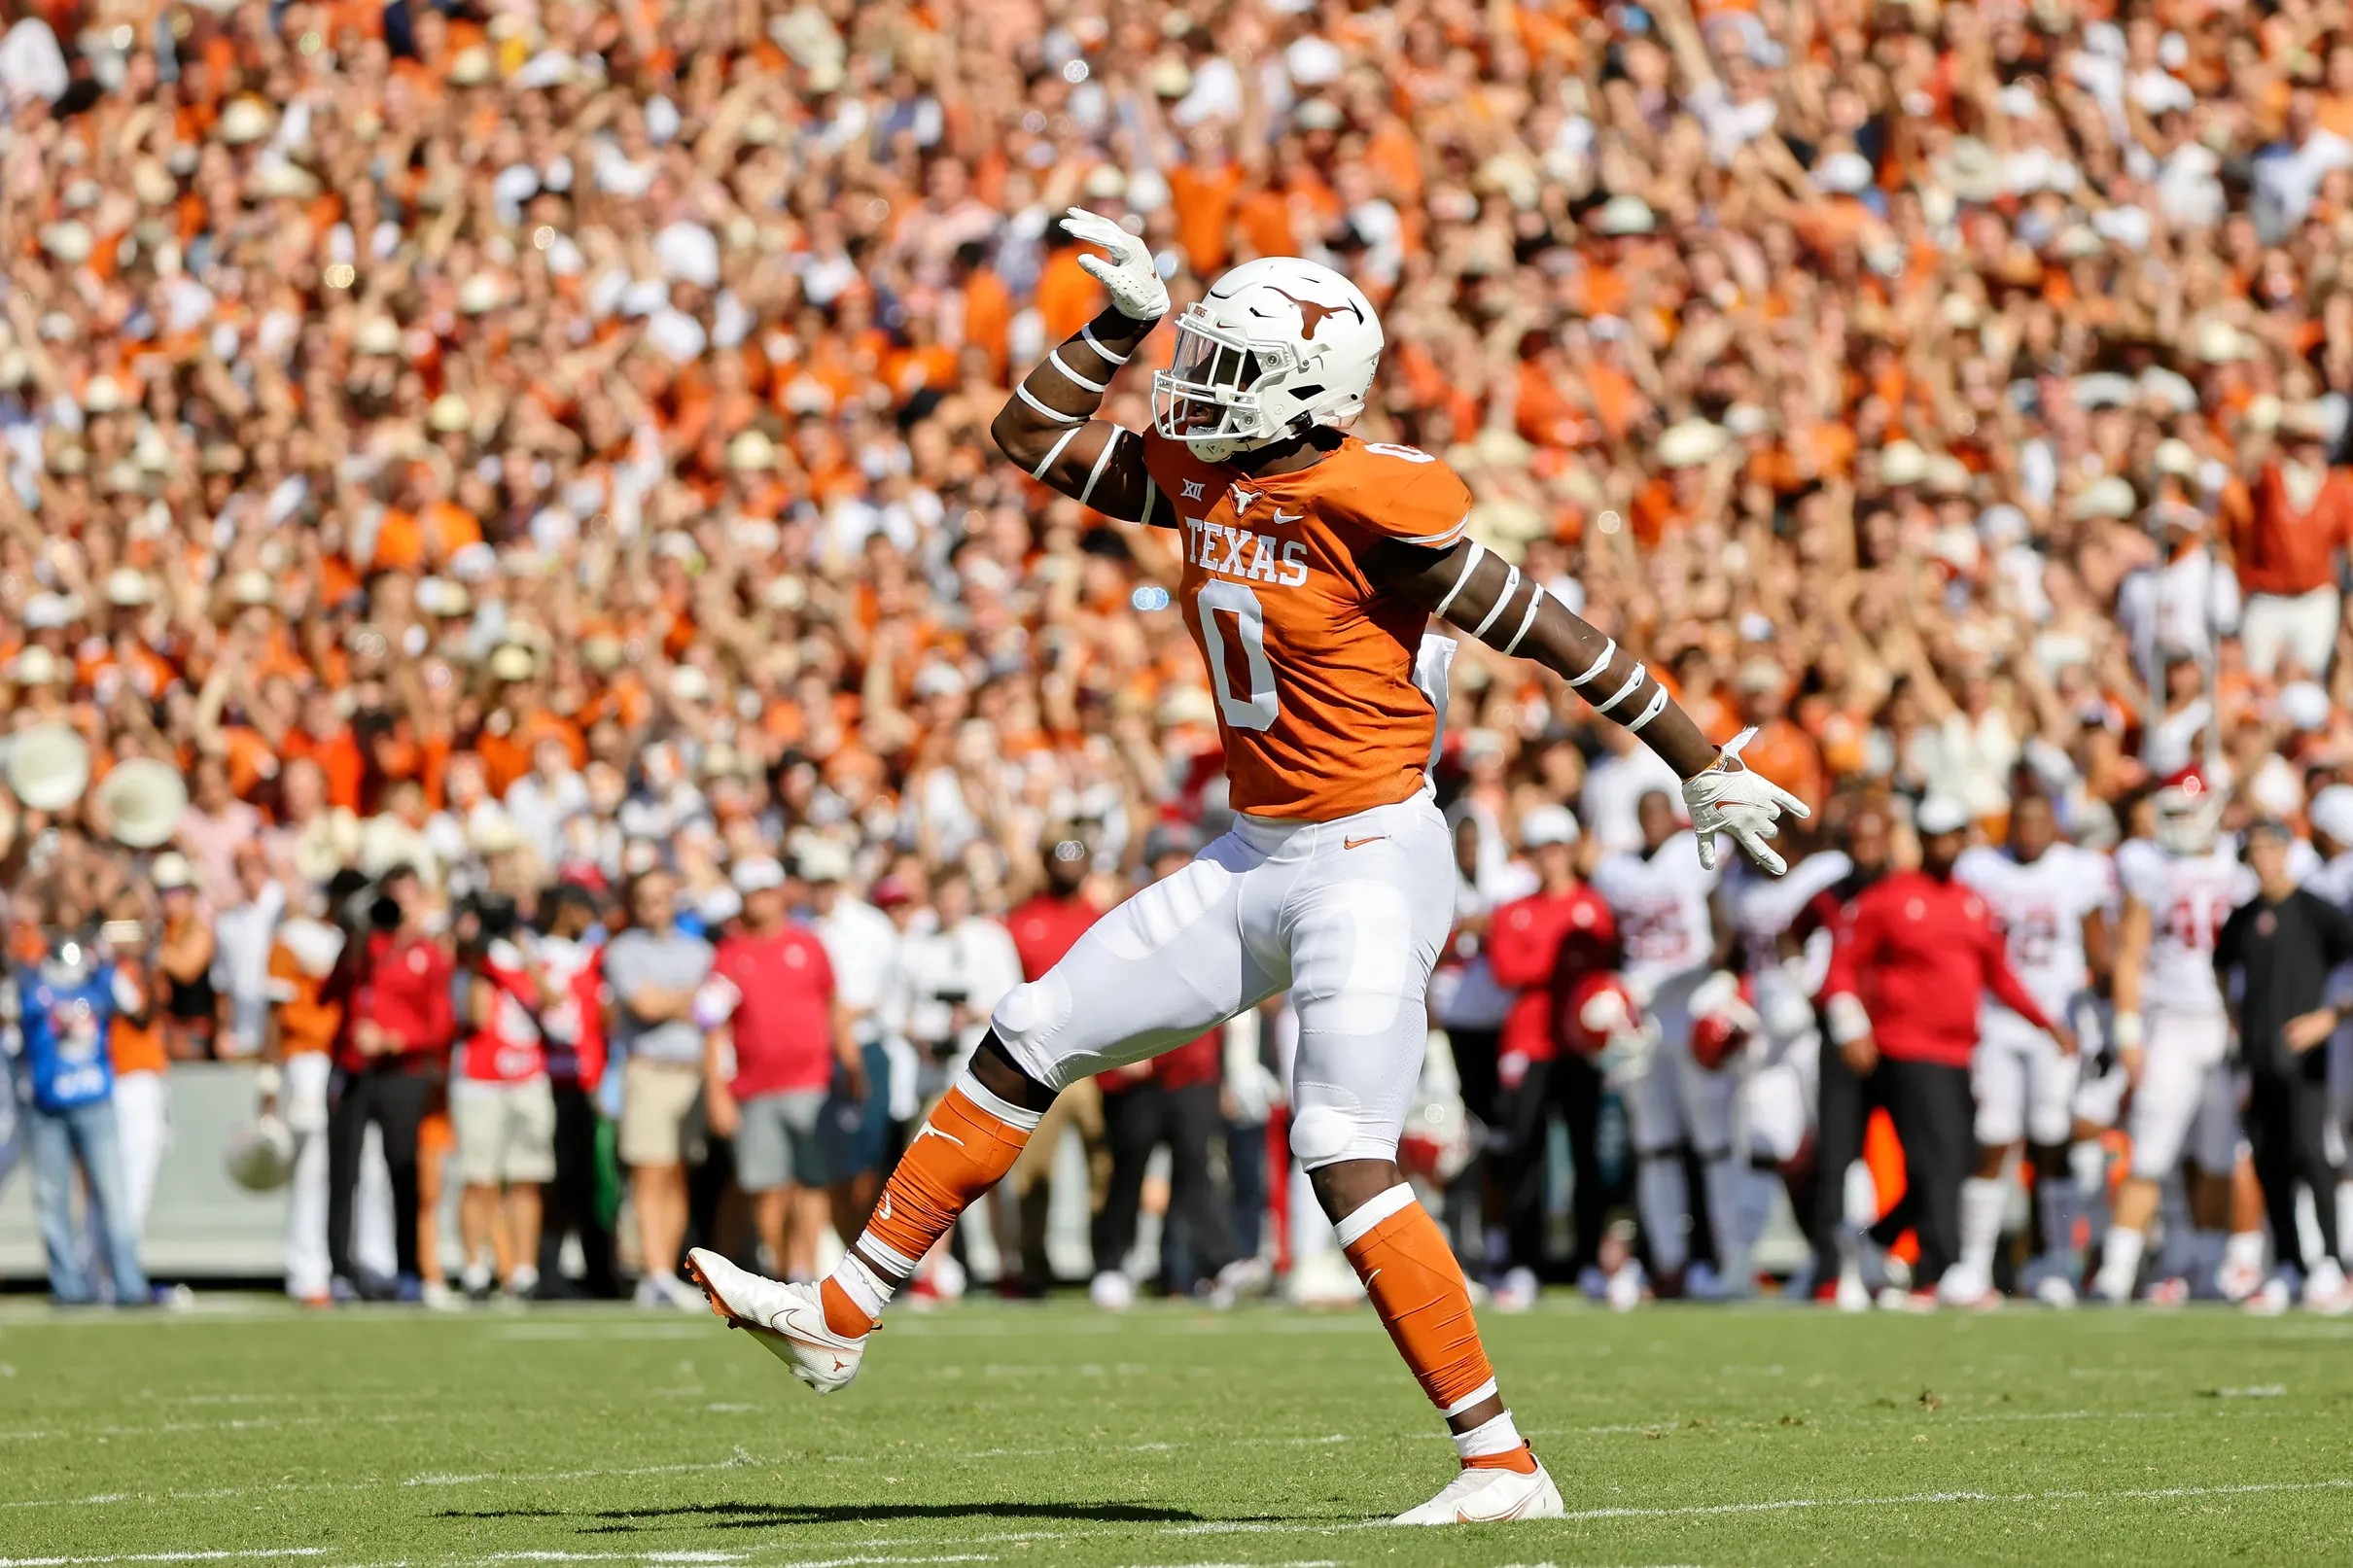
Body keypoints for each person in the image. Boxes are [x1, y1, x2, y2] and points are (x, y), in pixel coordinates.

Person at [684, 223, 1806, 1524]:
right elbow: (1030, 440)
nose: (1196, 375)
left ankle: (1503, 1461)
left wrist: (1696, 755)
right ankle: (842, 1309)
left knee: (1339, 1143)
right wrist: (1118, 326)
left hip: (1370, 860)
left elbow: (1556, 631)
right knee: (1028, 1030)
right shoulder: (1209, 473)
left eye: (1224, 357)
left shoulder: (1378, 504)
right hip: (1254, 849)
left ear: (1305, 390)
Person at [1820, 795, 2074, 1307]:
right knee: (1939, 1162)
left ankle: (1879, 1239)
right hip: (1906, 1047)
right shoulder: (1891, 898)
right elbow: (1841, 966)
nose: (1946, 845)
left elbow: (1999, 974)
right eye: (1937, 835)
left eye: (1955, 835)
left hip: (1960, 1051)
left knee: (1956, 1160)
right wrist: (1850, 1025)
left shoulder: (1973, 902)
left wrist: (2046, 1024)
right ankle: (1937, 1269)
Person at [2093, 767, 2259, 1305]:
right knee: (2149, 1150)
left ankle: (2210, 1267)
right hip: (2170, 1021)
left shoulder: (2244, 868)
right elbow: (2131, 955)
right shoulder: (2152, 868)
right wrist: (2129, 1031)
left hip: (2223, 1026)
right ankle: (2118, 1269)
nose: (2180, 824)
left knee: (2218, 1153)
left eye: (2190, 811)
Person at [1951, 792, 2114, 1305]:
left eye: (2040, 821)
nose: (2029, 831)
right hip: (1998, 1020)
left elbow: (2098, 953)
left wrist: (2104, 1022)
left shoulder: (2079, 871)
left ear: (2057, 827)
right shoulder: (1981, 869)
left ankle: (2059, 1262)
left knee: (2051, 1137)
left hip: (2057, 1026)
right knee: (1994, 1135)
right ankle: (1974, 1264)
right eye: (2020, 821)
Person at [1591, 789, 1738, 1298]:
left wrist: (1701, 975)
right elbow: (1610, 942)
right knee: (1654, 1145)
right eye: (1645, 813)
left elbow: (1723, 931)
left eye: (1659, 812)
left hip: (1691, 1007)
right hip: (1642, 1021)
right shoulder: (1615, 872)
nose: (1653, 822)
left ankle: (1728, 1258)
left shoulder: (1694, 852)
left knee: (1713, 1141)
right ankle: (1670, 1263)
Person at [1088, 836, 1243, 1309]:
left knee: (1197, 1166)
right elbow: (1105, 987)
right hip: (1143, 1067)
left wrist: (1229, 1074)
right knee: (1129, 1167)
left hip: (1194, 1067)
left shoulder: (1216, 919)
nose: (1177, 867)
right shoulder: (1131, 918)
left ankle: (1214, 1266)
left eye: (1182, 858)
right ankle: (1112, 1264)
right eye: (1168, 859)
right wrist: (1120, 1049)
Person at [2214, 819, 2353, 1312]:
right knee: (2269, 1160)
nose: (2263, 859)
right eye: (2254, 850)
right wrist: (2235, 1025)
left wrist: (2328, 1017)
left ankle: (2334, 1263)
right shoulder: (2245, 917)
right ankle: (2291, 1263)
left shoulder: (2317, 912)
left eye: (2270, 848)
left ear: (2288, 851)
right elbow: (2222, 966)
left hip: (2308, 1058)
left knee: (2311, 1153)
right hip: (2258, 1056)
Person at [1480, 806, 1617, 1306]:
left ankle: (1587, 1264)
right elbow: (1507, 970)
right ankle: (1522, 1265)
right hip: (1528, 1044)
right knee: (1524, 1156)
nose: (1552, 859)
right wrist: (1560, 961)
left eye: (1559, 848)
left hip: (1578, 1048)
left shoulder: (1593, 906)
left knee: (1586, 1155)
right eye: (1543, 849)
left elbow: (1601, 967)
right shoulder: (1514, 910)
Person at [705, 856, 856, 1283]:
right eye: (752, 893)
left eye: (766, 891)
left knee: (811, 1180)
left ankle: (803, 1268)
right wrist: (717, 1090)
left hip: (811, 1081)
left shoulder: (808, 945)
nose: (760, 901)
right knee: (765, 1185)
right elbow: (713, 1029)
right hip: (754, 1086)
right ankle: (778, 1266)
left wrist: (851, 1066)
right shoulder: (728, 955)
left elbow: (833, 1008)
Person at [324, 864, 455, 1302]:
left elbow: (440, 1025)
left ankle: (407, 1270)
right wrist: (355, 935)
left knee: (404, 1169)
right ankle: (340, 1269)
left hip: (403, 1073)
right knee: (343, 1172)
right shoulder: (365, 947)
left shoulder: (428, 955)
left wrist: (396, 1040)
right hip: (355, 1070)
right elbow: (332, 991)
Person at [14, 926, 149, 1306]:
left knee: (113, 1196)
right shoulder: (32, 986)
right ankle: (67, 1286)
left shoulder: (101, 980)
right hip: (47, 1107)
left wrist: (117, 959)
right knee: (52, 1201)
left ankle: (128, 1283)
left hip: (94, 1102)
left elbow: (136, 1005)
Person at [603, 868, 715, 1308]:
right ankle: (654, 1272)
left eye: (661, 898)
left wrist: (672, 1001)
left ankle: (666, 1271)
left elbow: (714, 1006)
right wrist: (686, 1000)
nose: (654, 907)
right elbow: (643, 1005)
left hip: (691, 1072)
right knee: (650, 1172)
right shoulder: (624, 950)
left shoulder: (700, 950)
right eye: (644, 899)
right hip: (649, 1070)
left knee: (678, 1174)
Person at [452, 898, 557, 1302]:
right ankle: (475, 1267)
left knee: (527, 1178)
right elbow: (478, 1015)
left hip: (527, 1077)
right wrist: (483, 959)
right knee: (479, 1178)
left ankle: (524, 1270)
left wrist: (522, 952)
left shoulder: (530, 957)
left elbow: (552, 1000)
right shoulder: (475, 965)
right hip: (481, 1079)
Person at [532, 883, 615, 1299]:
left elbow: (605, 1020)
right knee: (553, 1179)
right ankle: (547, 1270)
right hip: (543, 1079)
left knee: (592, 1180)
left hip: (587, 1082)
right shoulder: (533, 952)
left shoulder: (596, 959)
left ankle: (599, 1270)